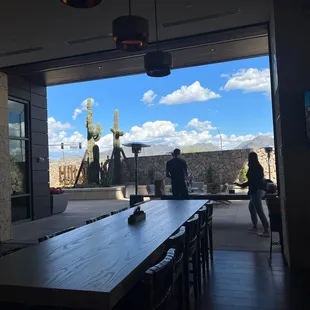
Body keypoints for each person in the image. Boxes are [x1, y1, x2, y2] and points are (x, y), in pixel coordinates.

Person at [235, 152, 270, 237]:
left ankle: (266, 230)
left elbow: (252, 181)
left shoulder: (254, 168)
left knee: (259, 210)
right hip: (257, 191)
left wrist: (241, 185)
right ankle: (255, 227)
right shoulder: (257, 167)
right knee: (251, 208)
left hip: (256, 191)